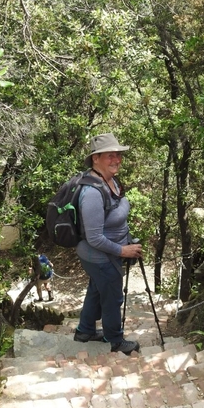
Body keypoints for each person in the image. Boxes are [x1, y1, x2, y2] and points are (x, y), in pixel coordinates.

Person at [73, 133, 143, 355]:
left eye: (118, 155)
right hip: (99, 255)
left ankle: (84, 331)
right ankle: (115, 341)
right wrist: (123, 250)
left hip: (105, 254)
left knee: (96, 288)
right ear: (96, 158)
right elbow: (94, 238)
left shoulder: (109, 181)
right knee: (113, 296)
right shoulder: (92, 192)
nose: (117, 159)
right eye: (110, 155)